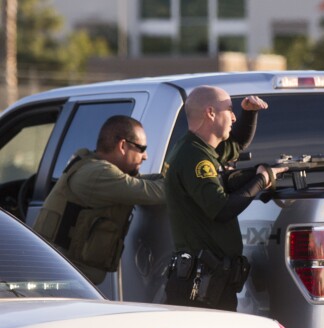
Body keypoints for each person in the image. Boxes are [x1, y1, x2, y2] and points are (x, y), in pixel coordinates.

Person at [163, 85, 286, 311]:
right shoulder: (194, 157)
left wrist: (250, 113)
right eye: (229, 110)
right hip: (199, 286)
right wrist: (261, 179)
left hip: (211, 282)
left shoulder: (201, 149)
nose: (233, 116)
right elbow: (222, 209)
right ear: (210, 113)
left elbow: (237, 144)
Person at [33, 115, 165, 284]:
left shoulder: (93, 166)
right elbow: (155, 191)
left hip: (65, 278)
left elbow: (141, 181)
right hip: (59, 281)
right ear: (122, 145)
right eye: (141, 148)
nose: (145, 156)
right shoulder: (98, 174)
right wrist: (191, 181)